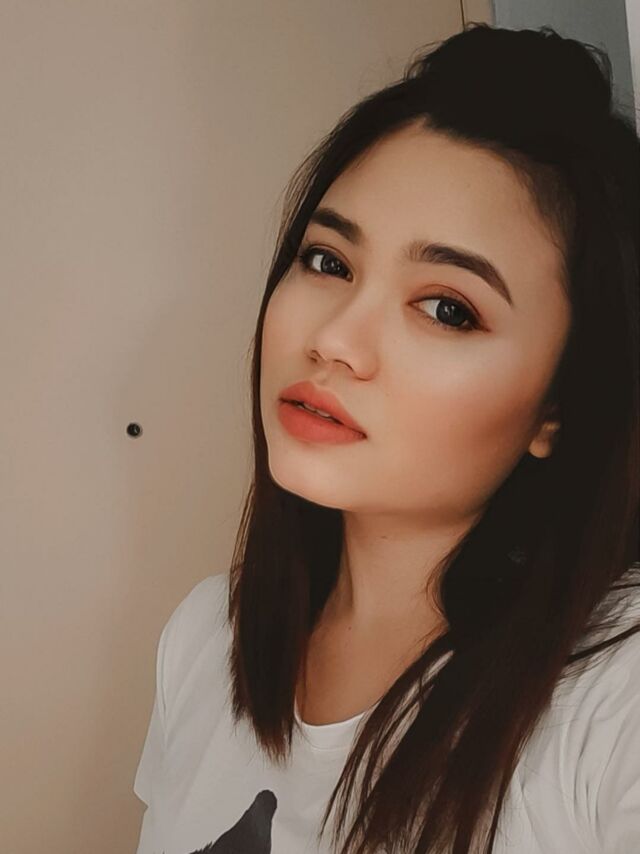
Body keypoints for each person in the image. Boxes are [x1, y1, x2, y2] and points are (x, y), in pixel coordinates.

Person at [133, 22, 640, 854]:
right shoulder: (206, 638)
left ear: (558, 408)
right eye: (328, 262)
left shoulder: (611, 699)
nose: (334, 339)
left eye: (446, 308)